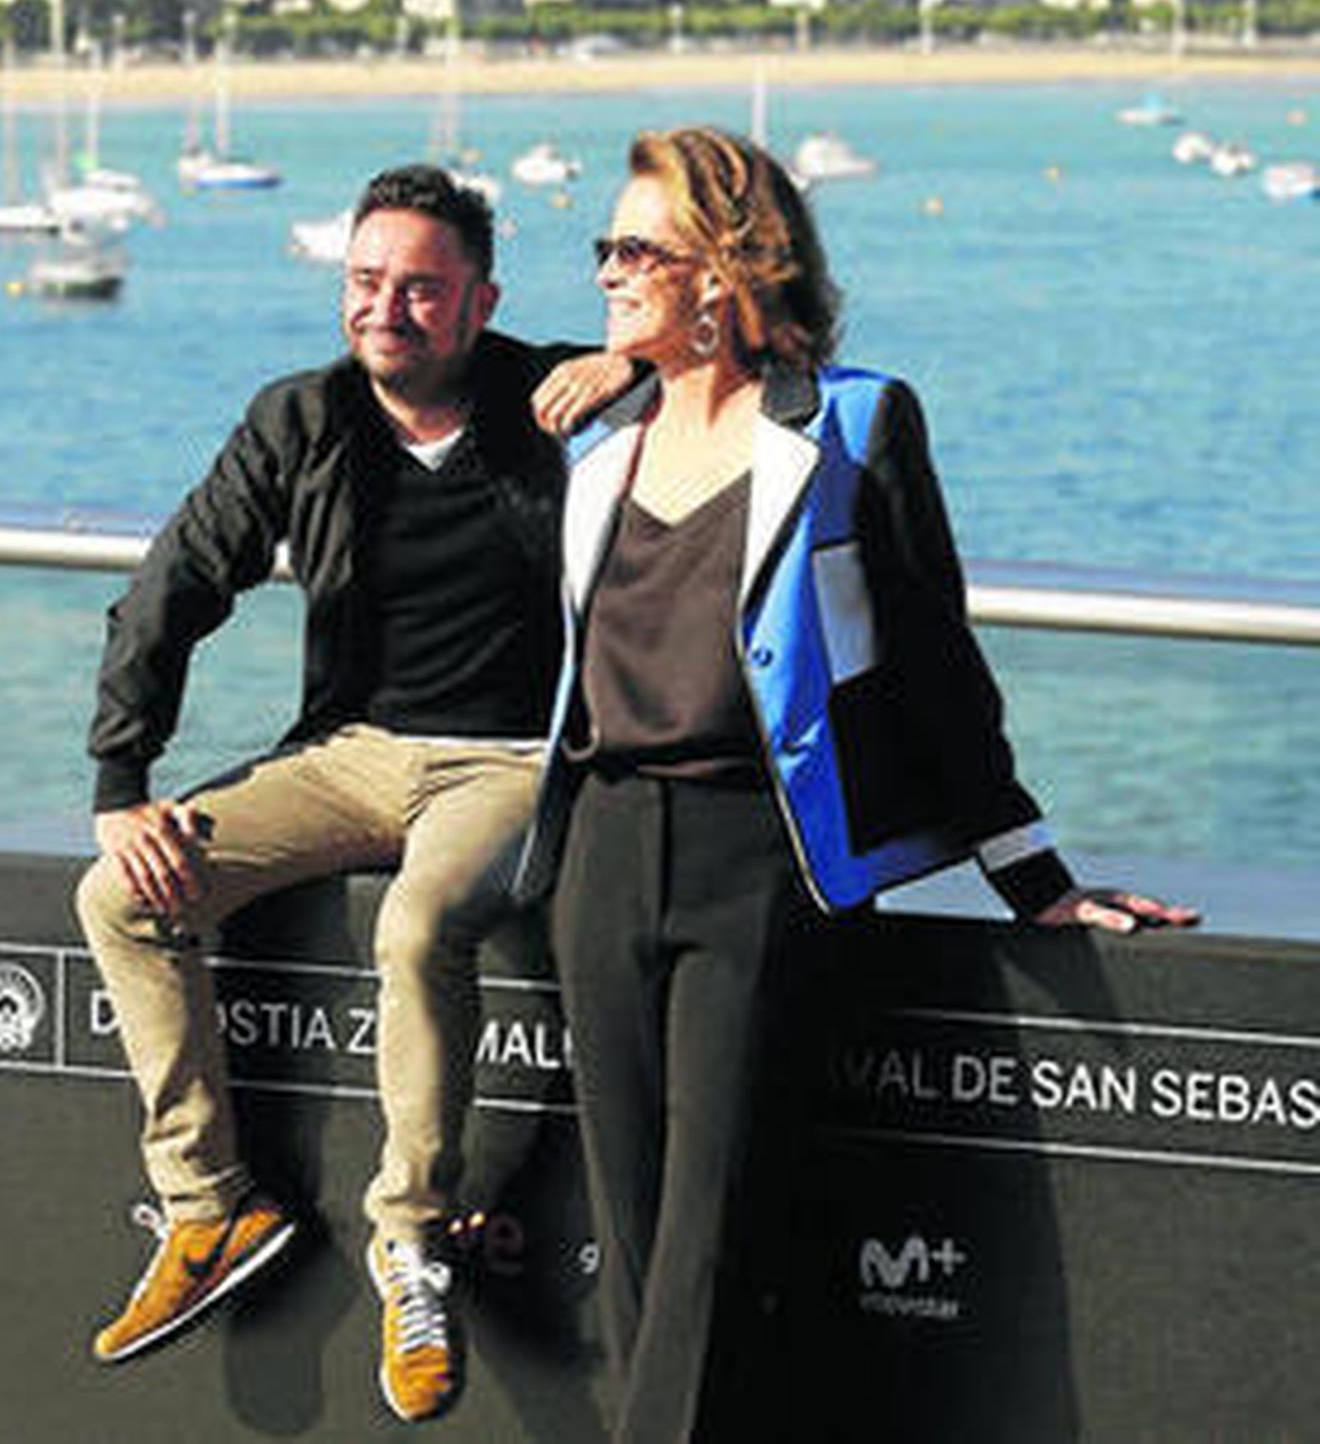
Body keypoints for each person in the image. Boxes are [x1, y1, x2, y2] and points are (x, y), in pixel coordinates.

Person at [509, 126, 1200, 1443]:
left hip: (759, 868)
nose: (604, 270)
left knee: (710, 1247)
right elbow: (407, 397)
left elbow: (934, 656)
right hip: (598, 856)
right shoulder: (594, 429)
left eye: (634, 250)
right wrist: (631, 365)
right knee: (642, 1241)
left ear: (722, 268)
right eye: (603, 247)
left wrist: (1033, 877)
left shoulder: (853, 423)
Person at [75, 162, 624, 1421]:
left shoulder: (545, 399)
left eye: (422, 289)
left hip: (508, 759)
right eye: (367, 282)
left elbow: (729, 360)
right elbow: (176, 582)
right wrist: (124, 777)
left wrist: (628, 360)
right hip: (347, 750)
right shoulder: (302, 419)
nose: (389, 308)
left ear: (480, 303)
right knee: (122, 895)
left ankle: (412, 1244)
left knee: (420, 925)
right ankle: (209, 1207)